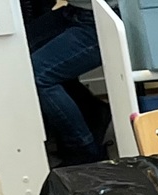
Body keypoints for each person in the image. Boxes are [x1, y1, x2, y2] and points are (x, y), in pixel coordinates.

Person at [26, 0, 105, 167]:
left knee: (36, 74)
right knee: (14, 47)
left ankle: (84, 151)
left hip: (102, 19)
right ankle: (93, 114)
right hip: (75, 11)